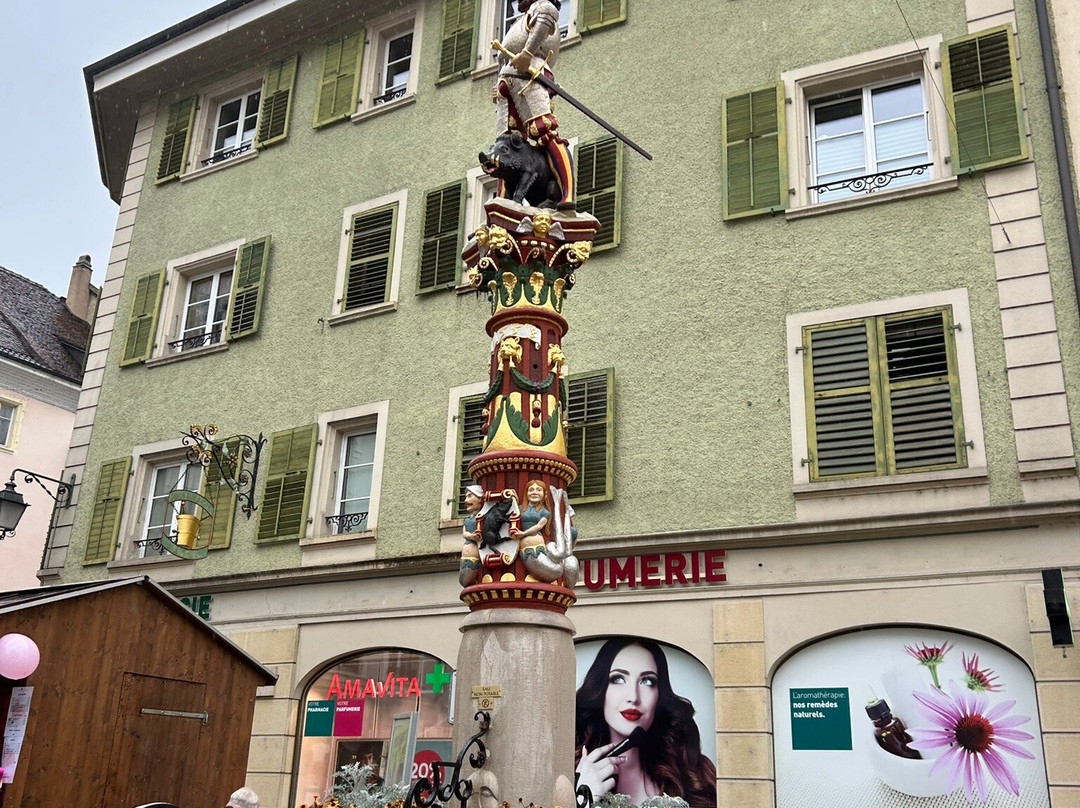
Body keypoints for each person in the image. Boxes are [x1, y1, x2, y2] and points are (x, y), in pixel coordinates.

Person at [574, 639, 717, 806]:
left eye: (647, 681)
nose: (633, 697)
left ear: (659, 695)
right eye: (618, 679)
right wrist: (581, 800)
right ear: (600, 689)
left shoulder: (696, 772)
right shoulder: (564, 772)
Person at [494, 0, 575, 209]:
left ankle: (567, 195)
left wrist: (528, 53)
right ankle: (503, 204)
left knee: (545, 131)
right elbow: (503, 59)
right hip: (510, 81)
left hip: (531, 76)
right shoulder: (521, 19)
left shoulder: (542, 5)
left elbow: (546, 18)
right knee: (506, 146)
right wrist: (498, 84)